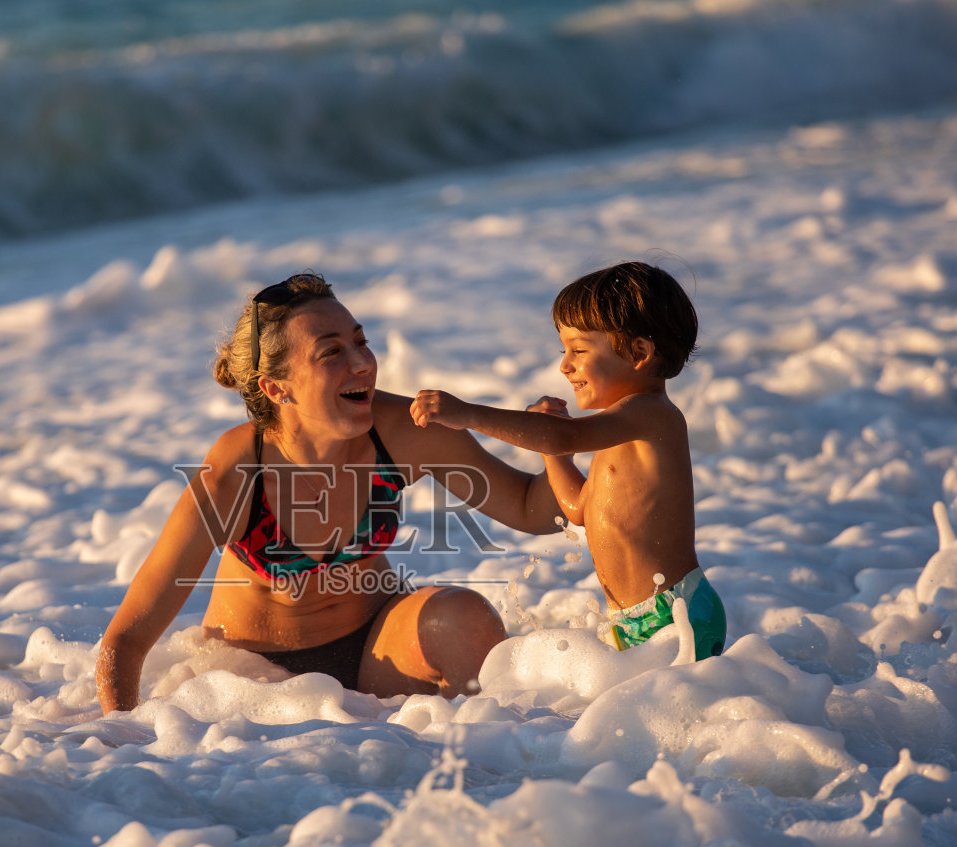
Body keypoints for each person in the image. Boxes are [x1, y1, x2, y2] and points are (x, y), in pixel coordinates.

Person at [96, 273, 562, 713]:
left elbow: (534, 511)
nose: (362, 363)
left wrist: (557, 446)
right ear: (277, 388)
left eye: (360, 342)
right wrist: (124, 744)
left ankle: (483, 768)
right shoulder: (237, 475)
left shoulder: (405, 433)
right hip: (257, 684)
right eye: (331, 352)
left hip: (377, 648)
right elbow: (126, 641)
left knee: (464, 617)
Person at [410, 262, 725, 658]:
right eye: (564, 351)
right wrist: (552, 455)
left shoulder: (652, 415)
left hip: (676, 613)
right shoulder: (620, 430)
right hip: (634, 621)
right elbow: (580, 510)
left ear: (640, 352)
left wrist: (470, 415)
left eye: (579, 350)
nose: (565, 365)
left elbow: (566, 437)